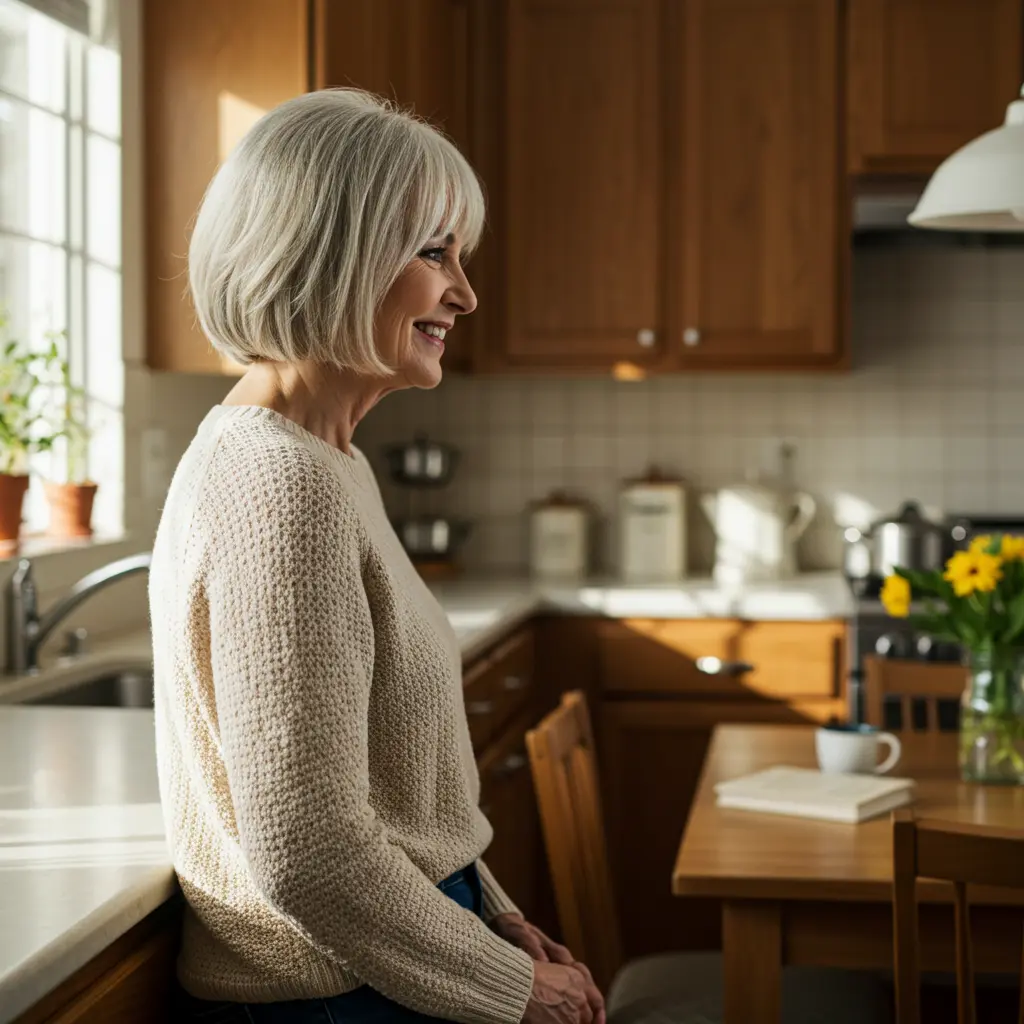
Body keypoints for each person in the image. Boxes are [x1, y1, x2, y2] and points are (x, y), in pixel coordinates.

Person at [149, 89, 605, 1024]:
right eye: (433, 251)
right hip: (339, 992)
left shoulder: (329, 461)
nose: (464, 293)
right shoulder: (281, 483)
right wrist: (514, 987)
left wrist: (498, 918)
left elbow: (399, 791)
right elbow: (311, 851)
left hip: (395, 952)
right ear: (326, 253)